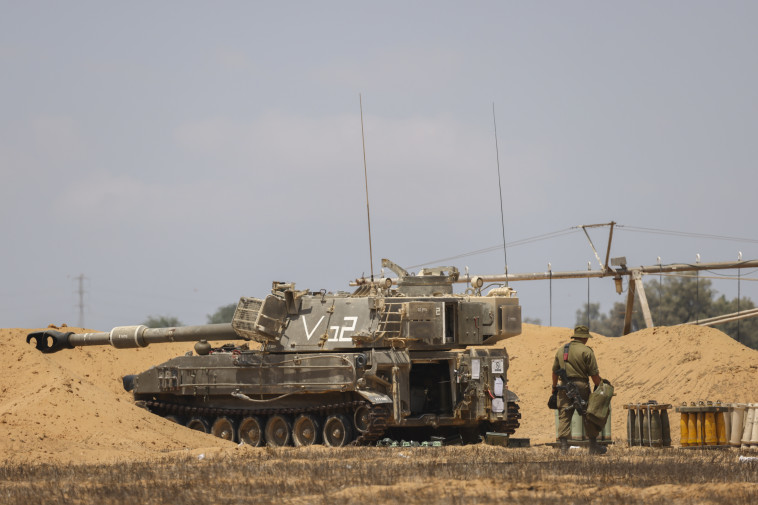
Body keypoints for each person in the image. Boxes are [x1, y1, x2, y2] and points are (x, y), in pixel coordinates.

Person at [551, 325, 606, 455]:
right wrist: (600, 387)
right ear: (584, 338)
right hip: (581, 385)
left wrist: (554, 388)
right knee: (588, 414)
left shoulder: (561, 350)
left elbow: (554, 372)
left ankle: (564, 447)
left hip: (564, 385)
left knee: (564, 414)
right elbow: (594, 376)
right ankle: (593, 446)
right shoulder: (587, 351)